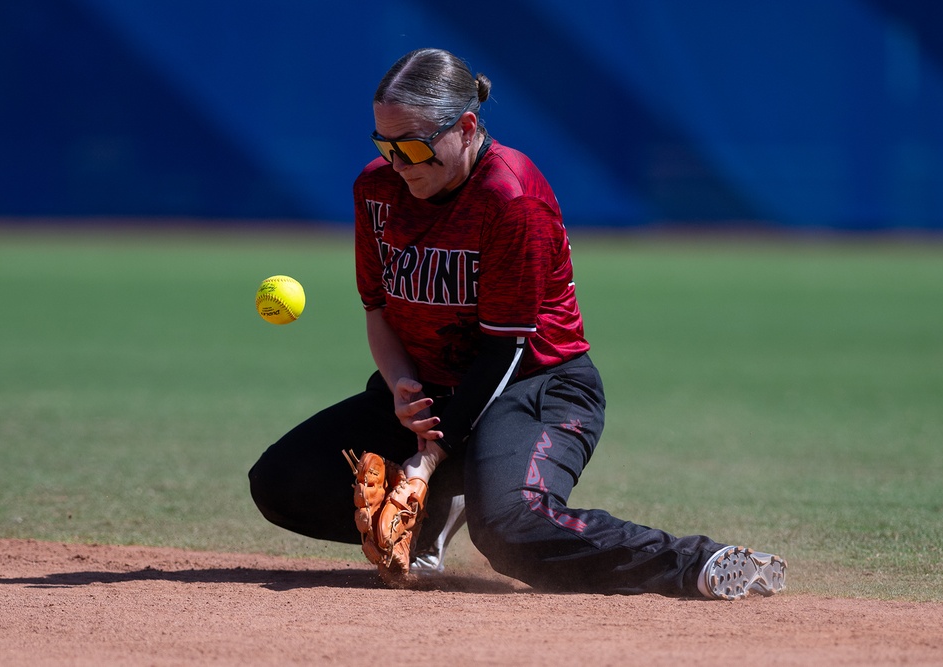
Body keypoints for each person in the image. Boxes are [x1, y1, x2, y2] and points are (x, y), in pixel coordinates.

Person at [248, 48, 787, 600]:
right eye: (384, 145)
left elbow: (503, 350)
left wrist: (427, 458)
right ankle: (435, 517)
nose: (398, 162)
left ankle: (700, 562)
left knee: (508, 530)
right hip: (433, 388)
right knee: (280, 484)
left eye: (412, 145)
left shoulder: (510, 196)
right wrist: (399, 388)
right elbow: (377, 309)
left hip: (534, 387)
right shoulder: (377, 190)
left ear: (465, 126)